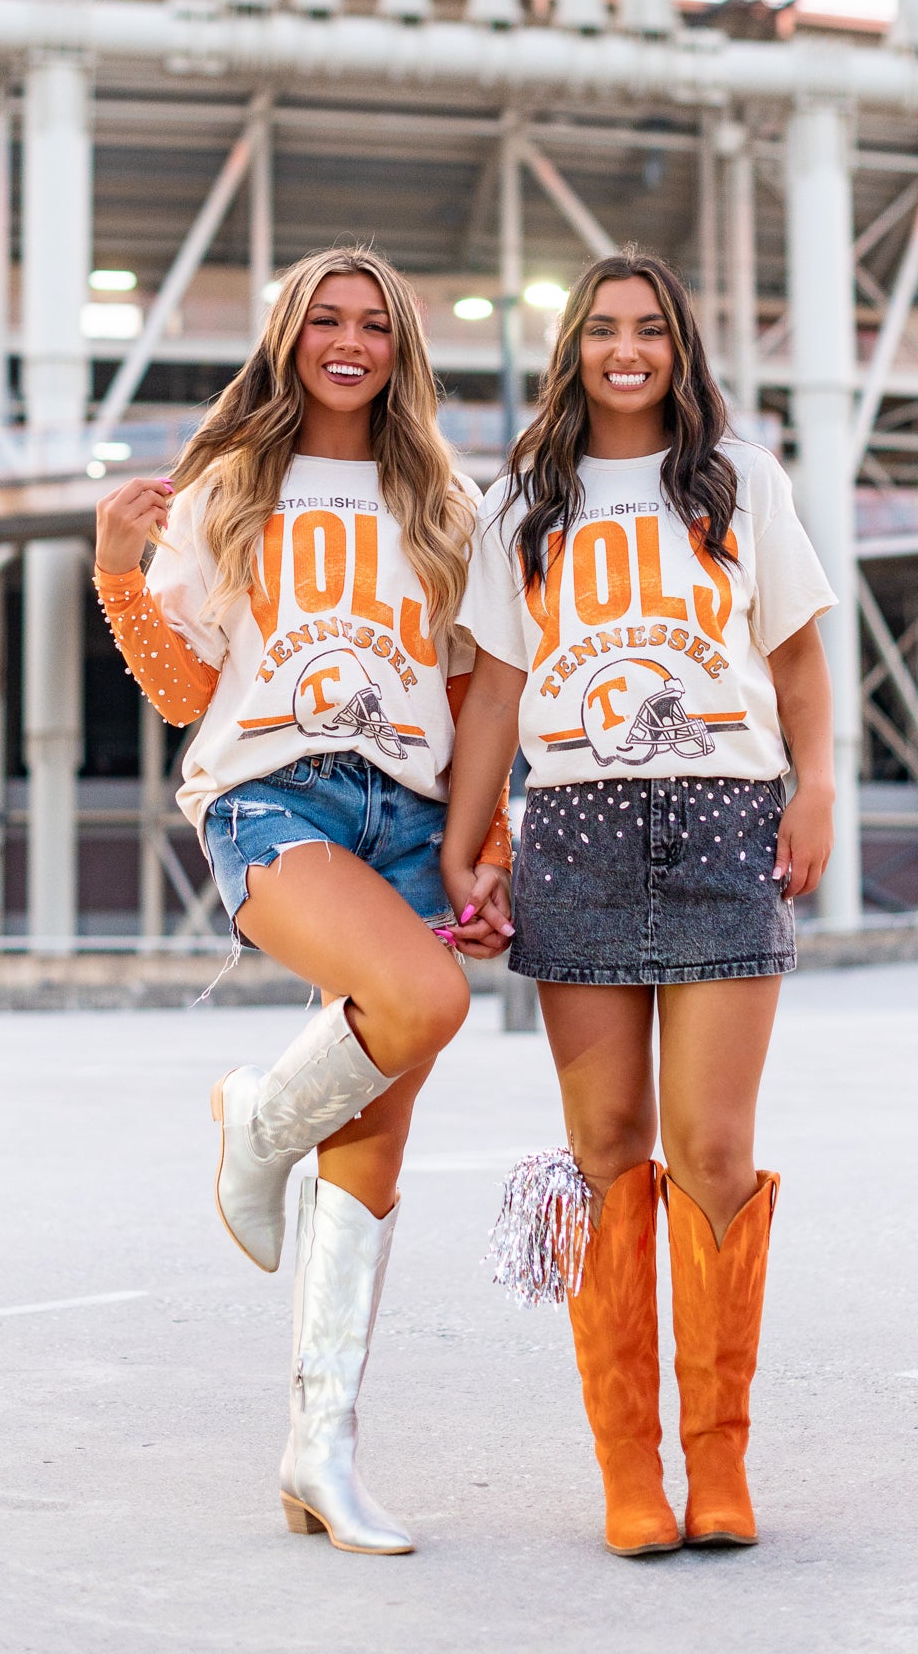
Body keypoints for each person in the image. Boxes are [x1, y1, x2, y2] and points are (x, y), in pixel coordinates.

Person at [94, 246, 512, 1557]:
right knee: (423, 998)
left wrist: (481, 843)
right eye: (325, 320)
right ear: (288, 337)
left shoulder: (446, 496)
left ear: (401, 348)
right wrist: (115, 569)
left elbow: (470, 692)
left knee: (375, 1153)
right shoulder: (232, 486)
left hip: (411, 809)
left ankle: (318, 1454)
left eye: (373, 323)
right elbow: (179, 687)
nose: (349, 341)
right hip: (272, 794)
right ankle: (260, 1125)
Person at [442, 248, 836, 1557]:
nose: (627, 350)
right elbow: (495, 690)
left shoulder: (739, 483)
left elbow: (795, 651)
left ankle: (719, 1466)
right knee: (606, 1142)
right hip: (576, 834)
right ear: (574, 350)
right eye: (603, 329)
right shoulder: (526, 505)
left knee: (714, 1149)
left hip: (728, 820)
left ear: (680, 346)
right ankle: (629, 1471)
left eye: (650, 329)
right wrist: (472, 842)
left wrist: (818, 786)